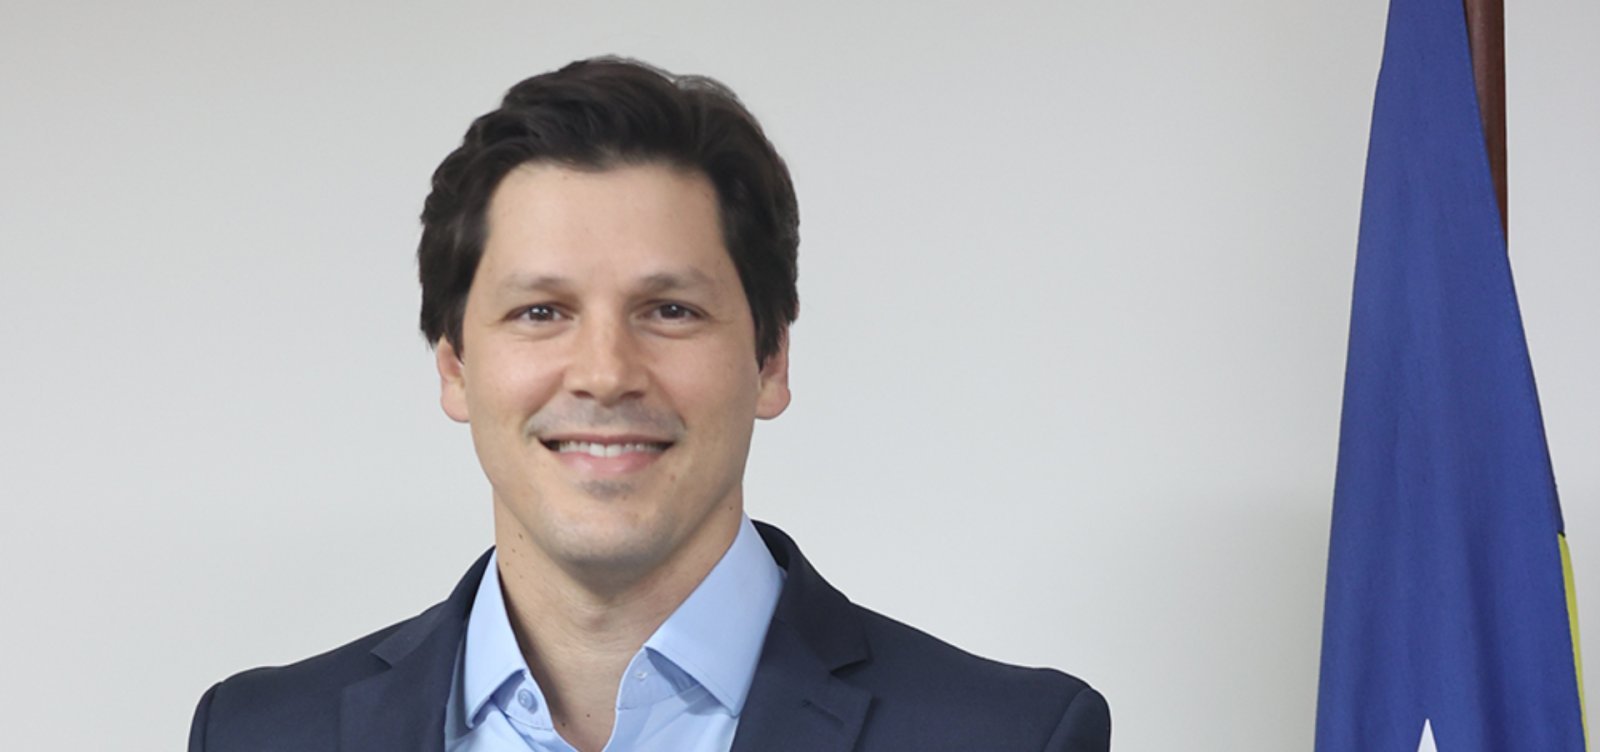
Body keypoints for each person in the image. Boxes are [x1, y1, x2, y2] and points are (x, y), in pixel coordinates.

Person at [187, 57, 1110, 752]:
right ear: (456, 367)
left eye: (670, 310)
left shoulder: (1011, 736)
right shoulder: (258, 734)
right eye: (541, 312)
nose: (605, 373)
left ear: (771, 359)